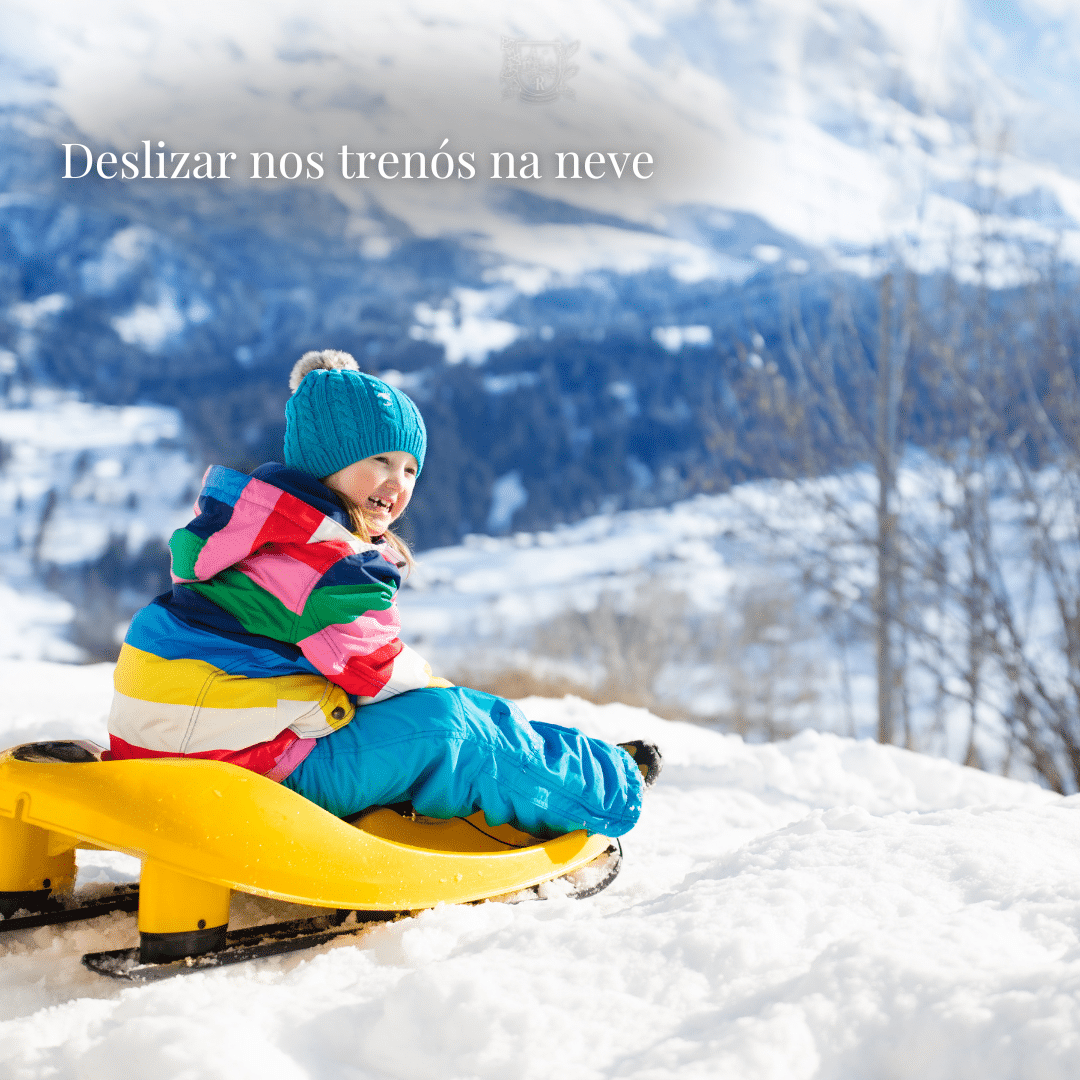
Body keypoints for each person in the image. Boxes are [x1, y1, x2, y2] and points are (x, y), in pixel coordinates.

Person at [108, 349, 660, 838]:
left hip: (159, 753)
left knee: (438, 715)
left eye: (410, 468)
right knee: (454, 726)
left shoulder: (252, 532)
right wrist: (451, 702)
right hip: (237, 774)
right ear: (325, 462)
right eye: (379, 460)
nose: (397, 483)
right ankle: (606, 787)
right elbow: (381, 676)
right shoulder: (327, 562)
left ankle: (572, 762)